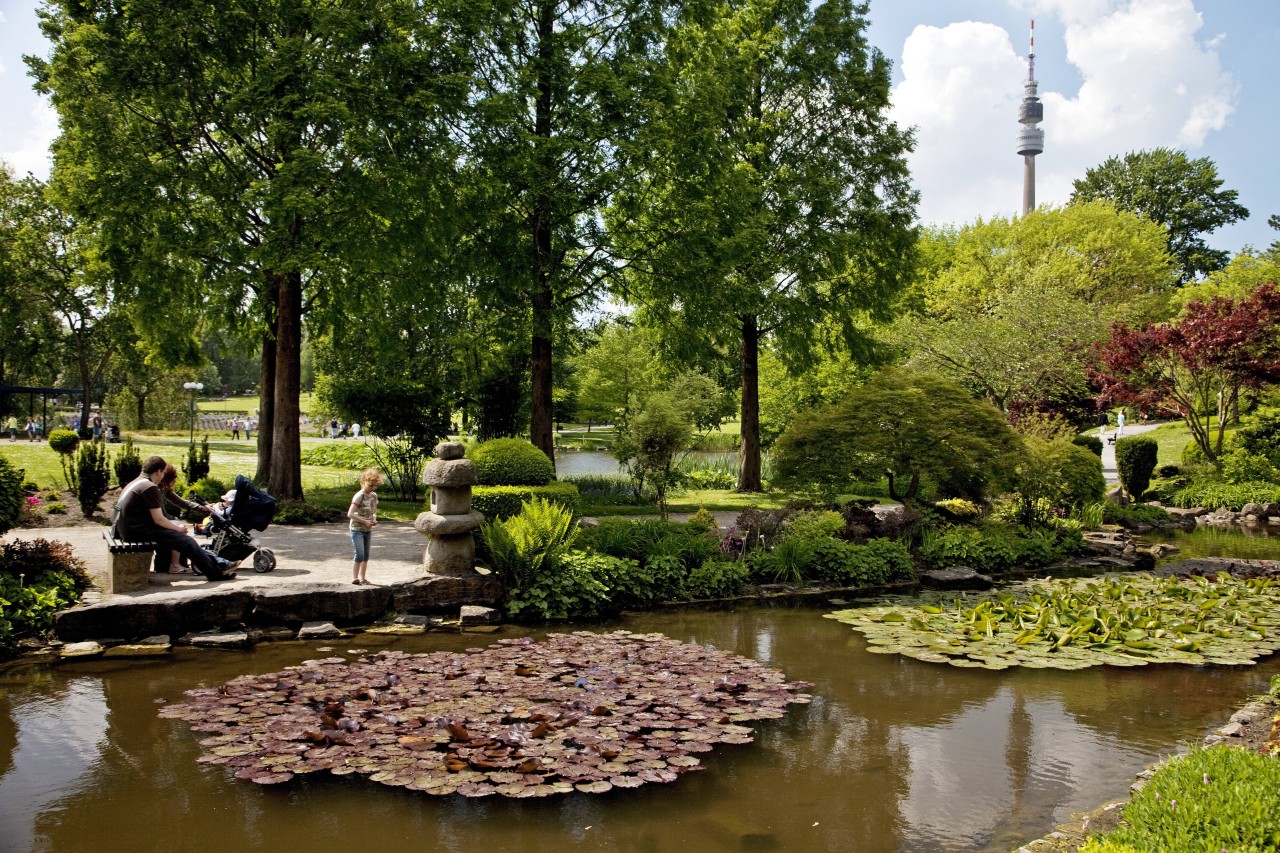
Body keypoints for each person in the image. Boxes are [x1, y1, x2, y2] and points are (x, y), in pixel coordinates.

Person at [114, 456, 235, 579]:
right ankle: (215, 573)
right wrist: (177, 529)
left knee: (182, 541)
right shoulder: (149, 487)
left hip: (128, 530)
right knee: (187, 542)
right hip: (136, 532)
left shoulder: (136, 482)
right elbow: (159, 519)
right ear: (159, 471)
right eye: (163, 472)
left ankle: (221, 564)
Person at [157, 464, 212, 574]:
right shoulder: (157, 490)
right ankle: (175, 565)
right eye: (174, 477)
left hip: (158, 522)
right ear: (168, 478)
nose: (175, 480)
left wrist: (205, 509)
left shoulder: (164, 489)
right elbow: (161, 514)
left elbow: (182, 502)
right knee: (180, 528)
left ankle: (179, 563)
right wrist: (174, 519)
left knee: (180, 527)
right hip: (153, 524)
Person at [347, 468, 382, 585]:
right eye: (370, 485)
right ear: (364, 481)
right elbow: (350, 514)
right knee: (359, 553)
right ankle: (355, 577)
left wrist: (374, 519)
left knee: (366, 555)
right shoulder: (359, 495)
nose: (372, 488)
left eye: (374, 486)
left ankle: (363, 577)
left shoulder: (374, 496)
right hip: (357, 529)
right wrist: (364, 521)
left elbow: (374, 511)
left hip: (368, 529)